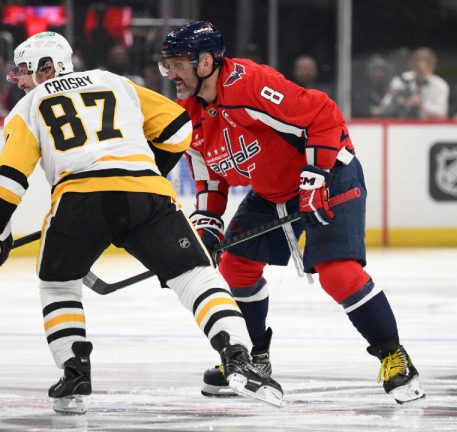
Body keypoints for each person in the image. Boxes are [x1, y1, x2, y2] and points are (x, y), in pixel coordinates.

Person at [0, 31, 284, 414]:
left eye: (26, 71)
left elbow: (10, 176)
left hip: (78, 200)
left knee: (58, 284)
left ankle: (75, 371)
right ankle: (237, 355)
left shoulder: (29, 107)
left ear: (49, 68)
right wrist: (143, 170)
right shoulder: (113, 81)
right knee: (196, 275)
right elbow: (179, 128)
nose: (21, 80)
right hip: (145, 193)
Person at [158, 21, 425, 404]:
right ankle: (254, 360)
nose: (171, 74)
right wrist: (207, 231)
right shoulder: (188, 117)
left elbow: (323, 115)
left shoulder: (248, 84)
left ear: (205, 62)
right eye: (167, 64)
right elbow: (209, 182)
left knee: (338, 272)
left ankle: (394, 356)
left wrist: (315, 177)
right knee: (234, 266)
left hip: (330, 171)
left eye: (178, 63)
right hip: (272, 191)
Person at [373, 47, 449, 119]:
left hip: (429, 127)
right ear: (412, 64)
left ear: (432, 65)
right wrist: (394, 99)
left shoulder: (440, 85)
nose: (421, 66)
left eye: (426, 62)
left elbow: (442, 113)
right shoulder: (400, 80)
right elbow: (384, 108)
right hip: (403, 123)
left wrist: (421, 104)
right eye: (417, 62)